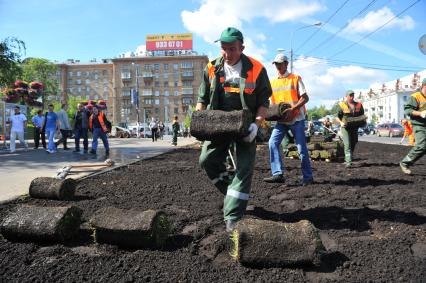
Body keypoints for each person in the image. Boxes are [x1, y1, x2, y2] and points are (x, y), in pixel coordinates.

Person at [197, 27, 272, 232]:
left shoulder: (256, 69)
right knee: (206, 160)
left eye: (231, 49)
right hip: (218, 124)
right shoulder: (212, 67)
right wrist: (199, 123)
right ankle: (232, 192)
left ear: (242, 48)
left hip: (246, 125)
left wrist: (257, 125)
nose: (227, 54)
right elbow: (202, 100)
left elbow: (264, 101)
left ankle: (233, 217)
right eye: (223, 49)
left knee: (244, 168)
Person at [264, 53, 313, 185]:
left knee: (301, 149)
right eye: (276, 64)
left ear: (286, 64)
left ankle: (308, 177)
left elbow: (305, 97)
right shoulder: (272, 82)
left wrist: (293, 108)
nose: (278, 66)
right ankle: (277, 173)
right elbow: (270, 102)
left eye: (281, 64)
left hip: (296, 118)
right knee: (272, 143)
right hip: (281, 121)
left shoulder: (295, 78)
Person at [399, 78, 426, 174]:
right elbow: (407, 110)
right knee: (422, 146)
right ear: (424, 86)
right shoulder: (415, 97)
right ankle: (404, 163)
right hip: (419, 125)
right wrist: (420, 113)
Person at [336, 90, 365, 168]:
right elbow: (337, 117)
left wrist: (363, 122)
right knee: (347, 144)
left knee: (354, 142)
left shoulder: (359, 105)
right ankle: (348, 162)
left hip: (354, 127)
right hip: (345, 128)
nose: (352, 97)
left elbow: (362, 116)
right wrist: (341, 123)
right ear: (346, 96)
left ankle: (347, 158)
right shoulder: (342, 105)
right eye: (350, 95)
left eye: (353, 95)